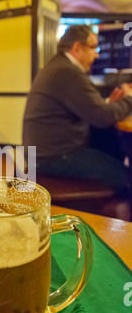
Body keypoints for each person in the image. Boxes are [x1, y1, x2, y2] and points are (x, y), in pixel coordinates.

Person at [22, 24, 132, 195]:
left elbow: (90, 107)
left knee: (110, 147)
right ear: (77, 48)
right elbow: (102, 116)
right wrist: (129, 98)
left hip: (43, 152)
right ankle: (114, 218)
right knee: (123, 174)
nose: (96, 54)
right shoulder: (68, 72)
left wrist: (109, 102)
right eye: (93, 47)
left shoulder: (59, 66)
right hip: (53, 157)